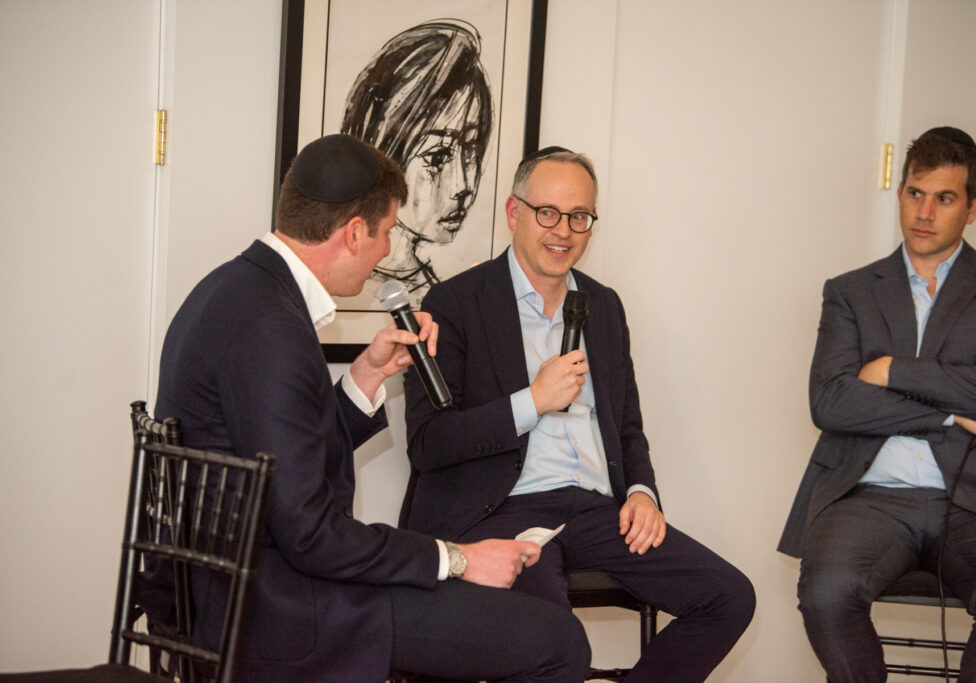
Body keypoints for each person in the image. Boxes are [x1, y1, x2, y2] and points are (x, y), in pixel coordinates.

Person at [154, 134, 589, 682]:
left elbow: (281, 457)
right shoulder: (270, 327)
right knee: (558, 641)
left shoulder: (235, 289)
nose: (386, 250)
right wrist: (458, 558)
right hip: (280, 608)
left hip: (243, 585)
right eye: (385, 232)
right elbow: (310, 535)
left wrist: (365, 376)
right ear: (354, 232)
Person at [401, 146, 756, 681]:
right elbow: (429, 443)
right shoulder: (454, 303)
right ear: (514, 212)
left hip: (596, 510)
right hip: (503, 510)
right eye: (547, 212)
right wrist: (533, 401)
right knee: (555, 643)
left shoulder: (603, 305)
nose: (563, 231)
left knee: (729, 597)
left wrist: (642, 492)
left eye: (579, 216)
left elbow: (627, 424)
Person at [778, 126, 976, 682]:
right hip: (869, 495)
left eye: (945, 198)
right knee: (826, 592)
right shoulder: (850, 291)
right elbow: (831, 401)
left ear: (973, 207)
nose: (924, 212)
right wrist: (953, 414)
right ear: (900, 193)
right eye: (915, 193)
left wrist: (891, 370)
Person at [342, 19, 492, 304]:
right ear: (384, 158)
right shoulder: (347, 287)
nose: (463, 185)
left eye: (471, 151)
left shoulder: (438, 291)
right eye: (438, 157)